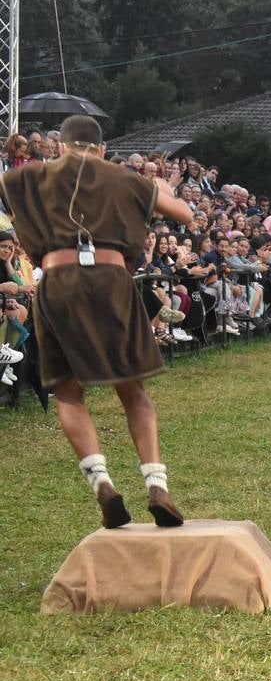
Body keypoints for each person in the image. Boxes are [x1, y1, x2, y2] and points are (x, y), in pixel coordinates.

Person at [1, 114, 194, 528]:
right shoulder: (126, 178)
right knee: (134, 391)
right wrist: (160, 188)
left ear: (61, 146)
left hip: (58, 281)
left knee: (68, 393)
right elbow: (184, 215)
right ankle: (157, 486)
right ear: (102, 149)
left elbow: (7, 183)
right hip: (111, 279)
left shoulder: (31, 175)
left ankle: (102, 483)